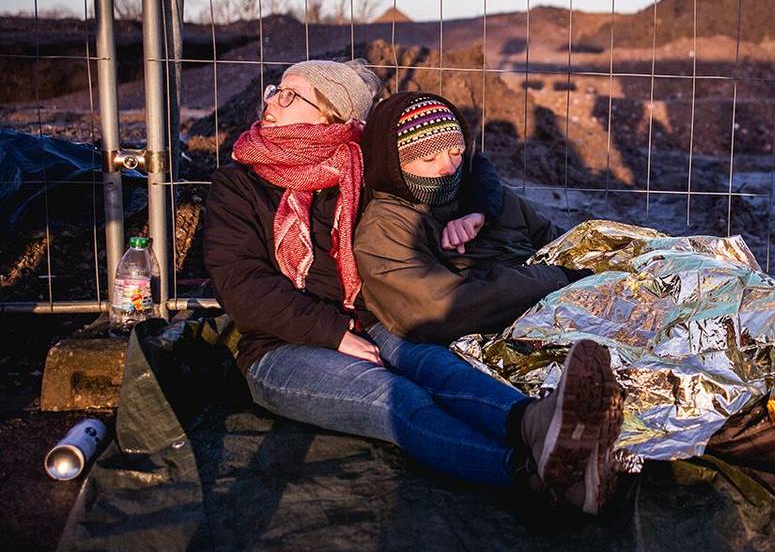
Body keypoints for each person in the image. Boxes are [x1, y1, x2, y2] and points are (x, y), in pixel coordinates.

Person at [204, 61, 623, 514]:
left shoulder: (361, 161)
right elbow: (241, 285)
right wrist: (332, 332)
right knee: (397, 399)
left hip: (371, 321)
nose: (270, 101)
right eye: (275, 91)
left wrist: (476, 209)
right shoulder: (239, 183)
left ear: (332, 114)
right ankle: (531, 475)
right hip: (281, 346)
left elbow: (467, 163)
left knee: (441, 368)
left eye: (290, 94)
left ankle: (537, 423)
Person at [354, 92, 588, 344]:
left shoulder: (489, 198)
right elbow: (436, 310)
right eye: (429, 158)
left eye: (455, 152)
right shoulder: (386, 227)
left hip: (561, 310)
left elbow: (560, 241)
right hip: (493, 340)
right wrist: (555, 279)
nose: (448, 167)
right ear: (393, 163)